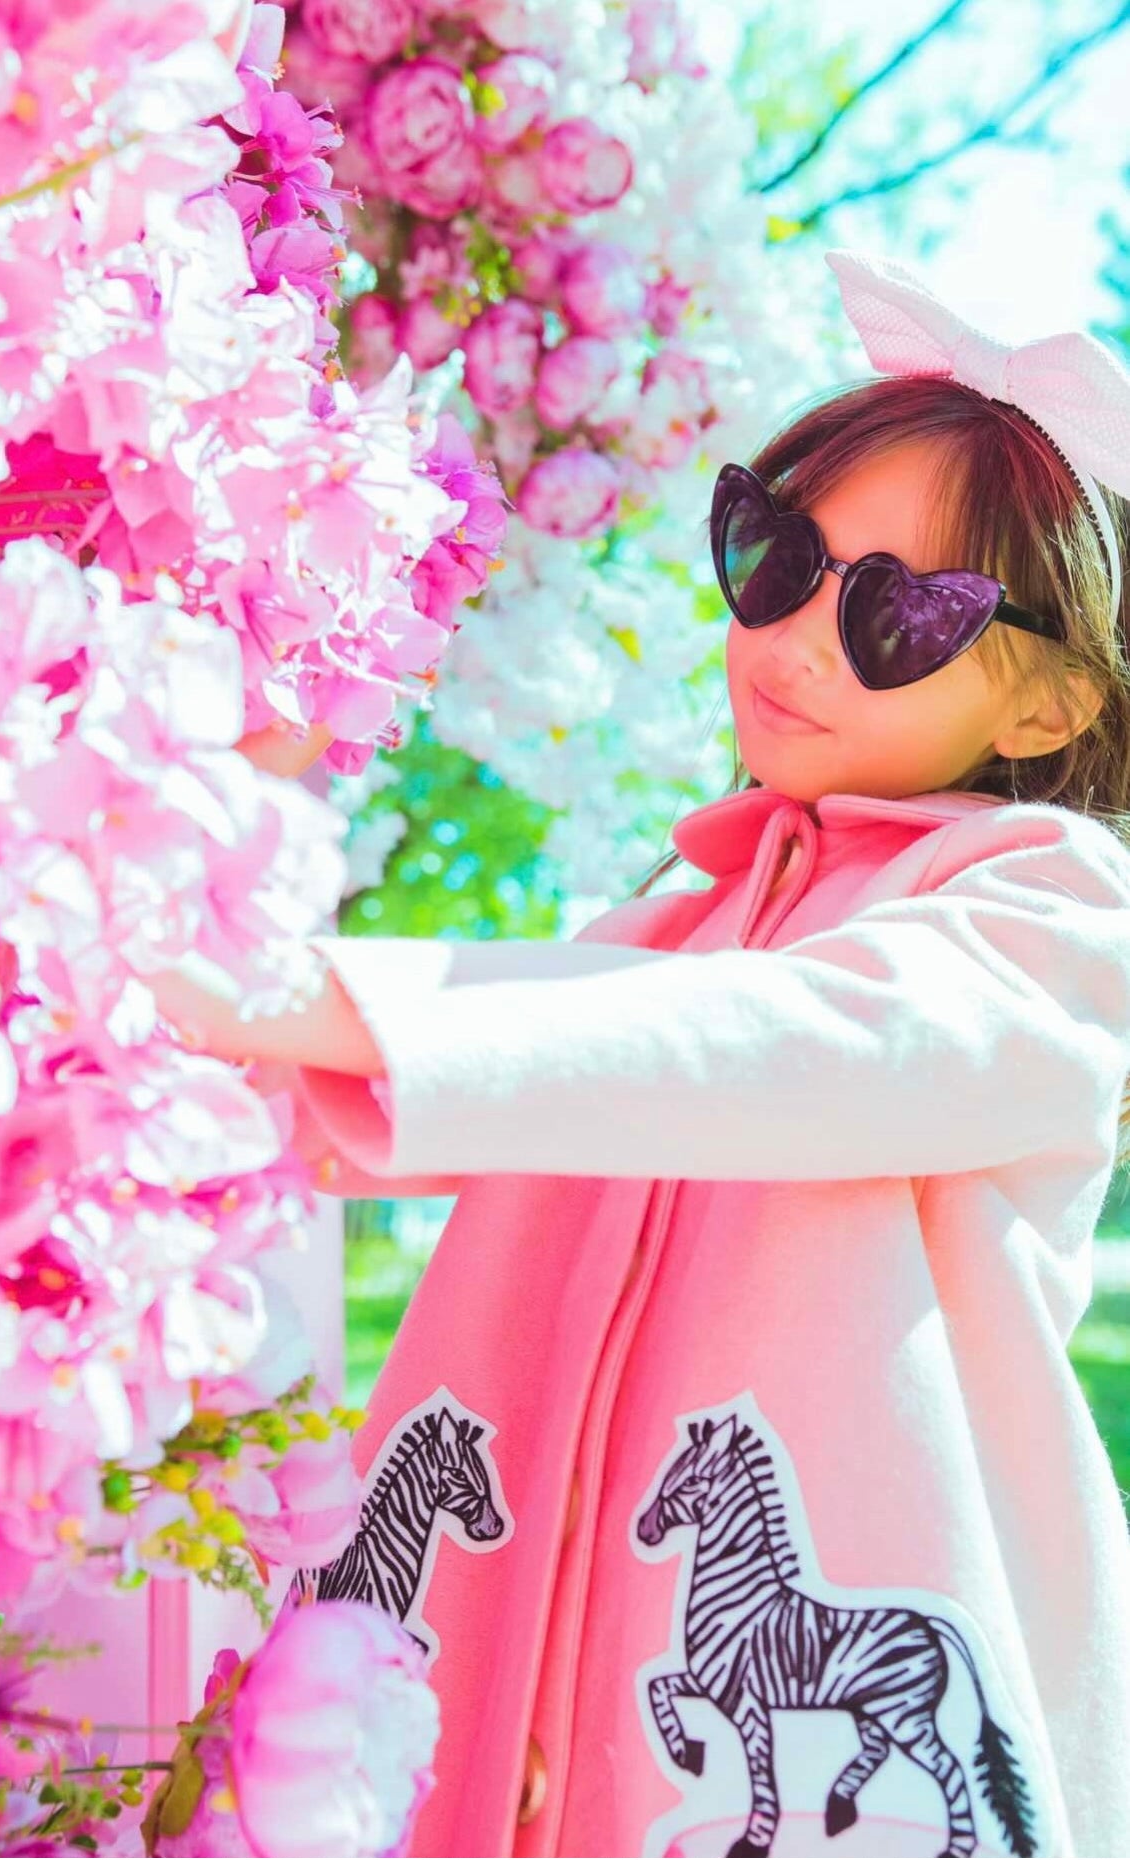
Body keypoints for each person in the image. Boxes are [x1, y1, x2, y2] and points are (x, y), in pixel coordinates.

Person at [147, 250, 1130, 1858]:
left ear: (1041, 705)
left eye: (896, 612)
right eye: (781, 557)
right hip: (524, 1653)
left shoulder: (1044, 917)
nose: (803, 636)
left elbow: (817, 1041)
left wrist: (302, 992)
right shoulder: (685, 919)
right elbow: (451, 1069)